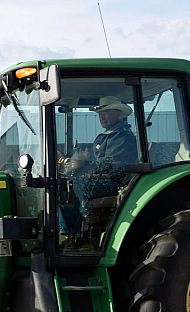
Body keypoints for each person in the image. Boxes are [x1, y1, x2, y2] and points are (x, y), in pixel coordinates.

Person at [59, 96, 138, 241]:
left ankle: (72, 235)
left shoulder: (121, 136)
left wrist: (81, 165)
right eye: (100, 114)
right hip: (104, 179)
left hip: (115, 183)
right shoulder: (108, 135)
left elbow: (111, 166)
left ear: (117, 114)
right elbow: (98, 162)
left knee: (65, 187)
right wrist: (77, 164)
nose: (102, 117)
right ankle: (69, 232)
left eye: (106, 113)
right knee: (60, 182)